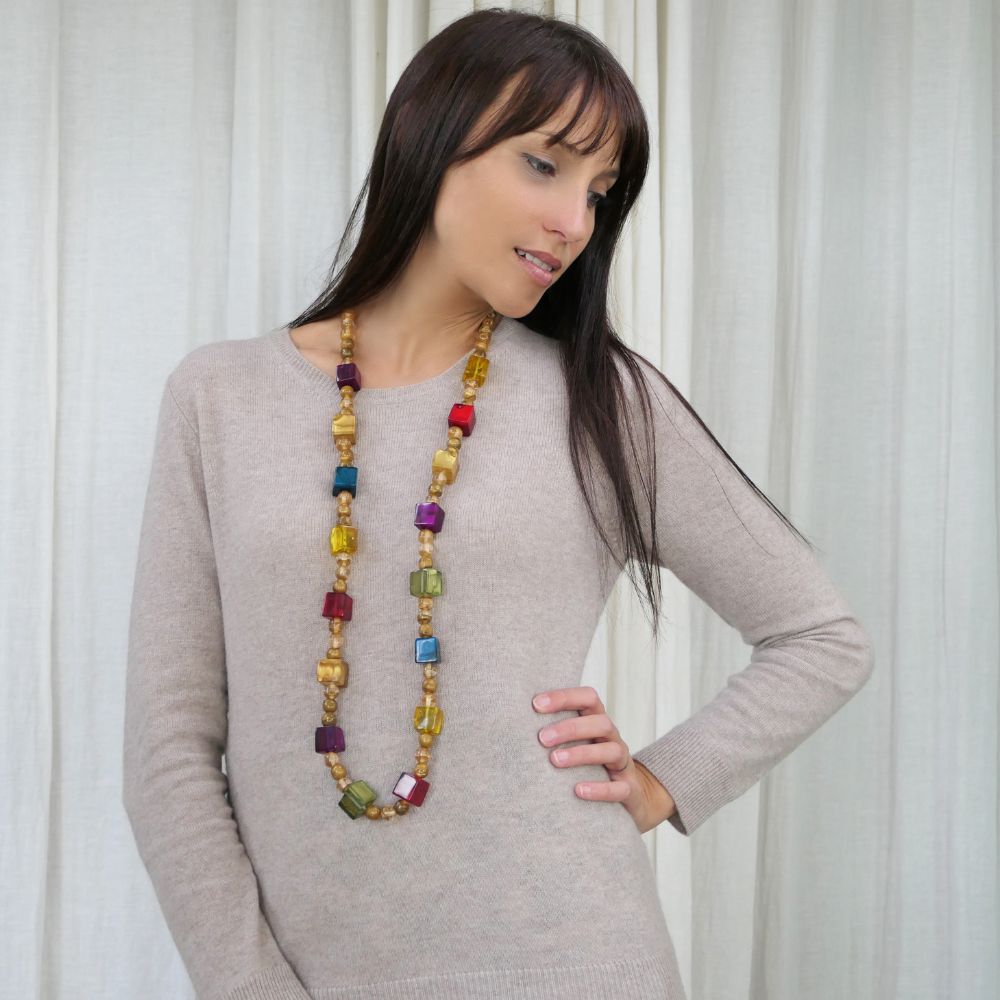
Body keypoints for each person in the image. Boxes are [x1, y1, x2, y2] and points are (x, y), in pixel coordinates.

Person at [122, 9, 874, 1000]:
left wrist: (662, 779)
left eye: (598, 191)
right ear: (429, 139)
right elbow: (169, 751)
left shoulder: (604, 402)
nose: (576, 221)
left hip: (577, 963)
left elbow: (820, 636)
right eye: (544, 164)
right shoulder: (218, 397)